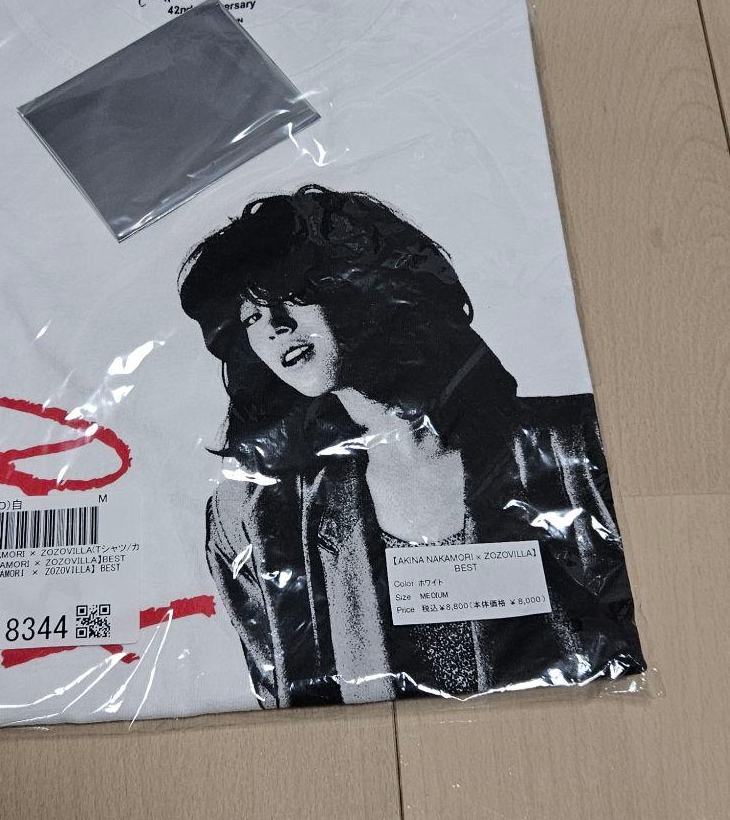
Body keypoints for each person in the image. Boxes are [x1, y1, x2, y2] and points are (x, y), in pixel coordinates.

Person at [178, 184, 644, 706]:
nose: (275, 326)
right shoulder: (253, 518)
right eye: (252, 317)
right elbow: (283, 702)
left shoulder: (580, 444)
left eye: (293, 292)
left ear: (368, 284)